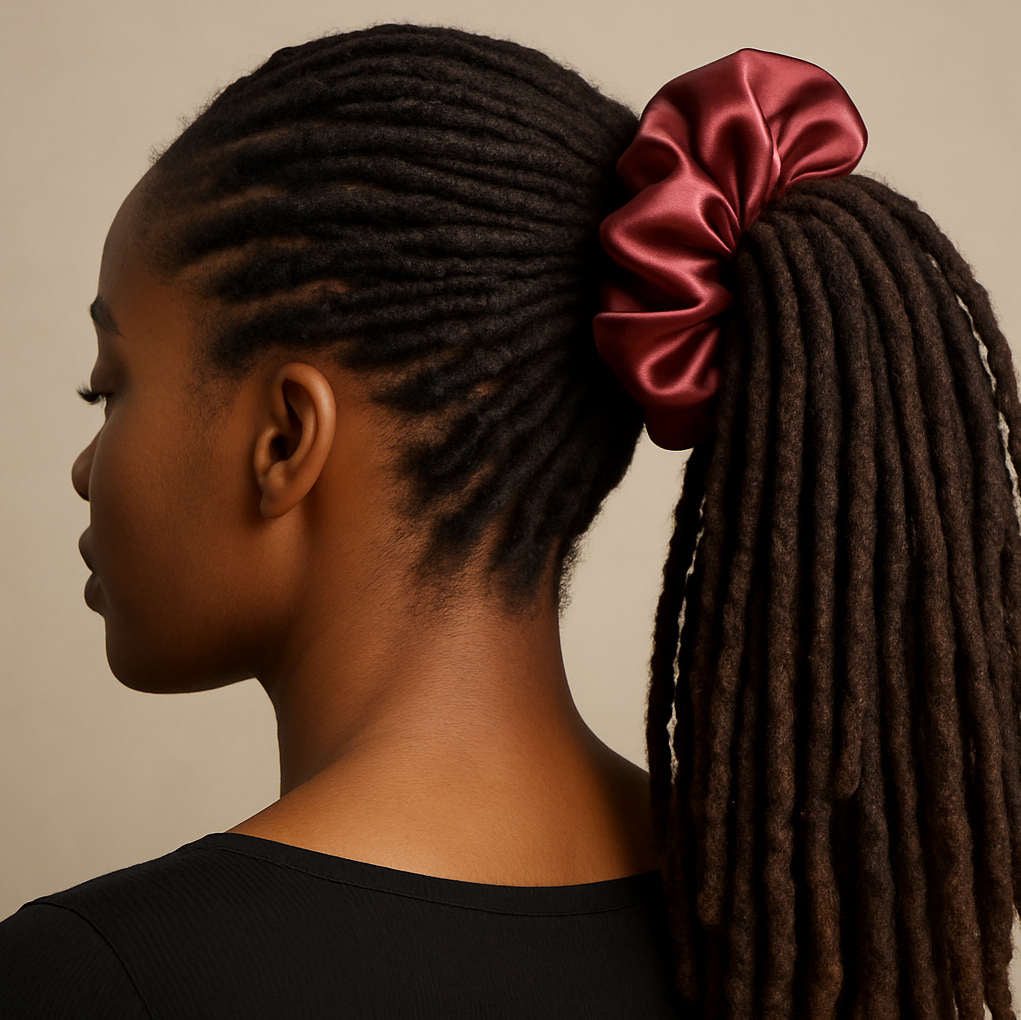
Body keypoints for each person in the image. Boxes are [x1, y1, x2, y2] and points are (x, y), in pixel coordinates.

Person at [1, 20, 1018, 1018]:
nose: (87, 465)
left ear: (283, 438)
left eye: (110, 386)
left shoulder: (100, 979)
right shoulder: (809, 944)